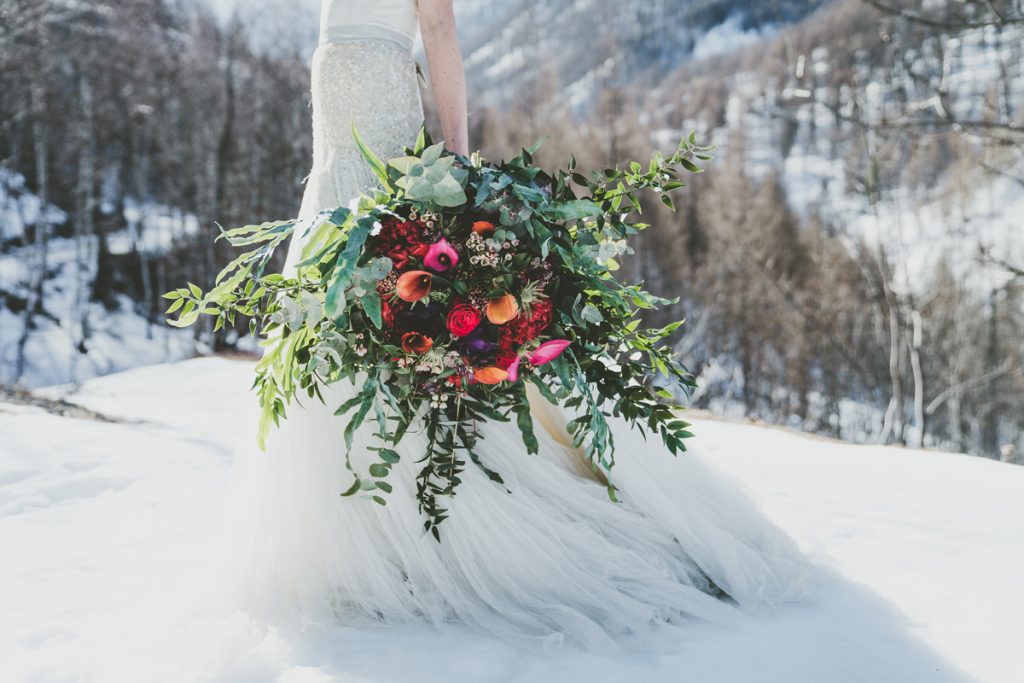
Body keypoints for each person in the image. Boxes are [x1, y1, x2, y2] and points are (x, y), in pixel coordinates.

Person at [226, 0, 813, 650]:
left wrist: (456, 152)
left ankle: (412, 522)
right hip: (338, 118)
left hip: (370, 94)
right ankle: (359, 527)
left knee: (384, 295)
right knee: (346, 296)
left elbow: (440, 25)